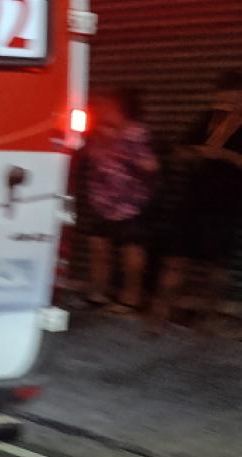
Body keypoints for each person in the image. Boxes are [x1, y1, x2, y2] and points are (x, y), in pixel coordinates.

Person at [151, 71, 242, 334]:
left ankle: (207, 316)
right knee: (176, 259)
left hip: (226, 204)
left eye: (234, 99)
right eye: (223, 98)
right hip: (193, 199)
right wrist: (196, 153)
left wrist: (223, 155)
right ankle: (159, 313)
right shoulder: (207, 120)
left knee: (217, 265)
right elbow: (179, 150)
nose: (227, 104)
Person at [81, 87, 159, 314]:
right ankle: (99, 292)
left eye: (110, 106)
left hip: (131, 203)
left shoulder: (136, 134)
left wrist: (123, 153)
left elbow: (150, 166)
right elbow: (91, 157)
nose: (105, 110)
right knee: (98, 244)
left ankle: (130, 299)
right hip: (103, 200)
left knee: (130, 249)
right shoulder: (100, 131)